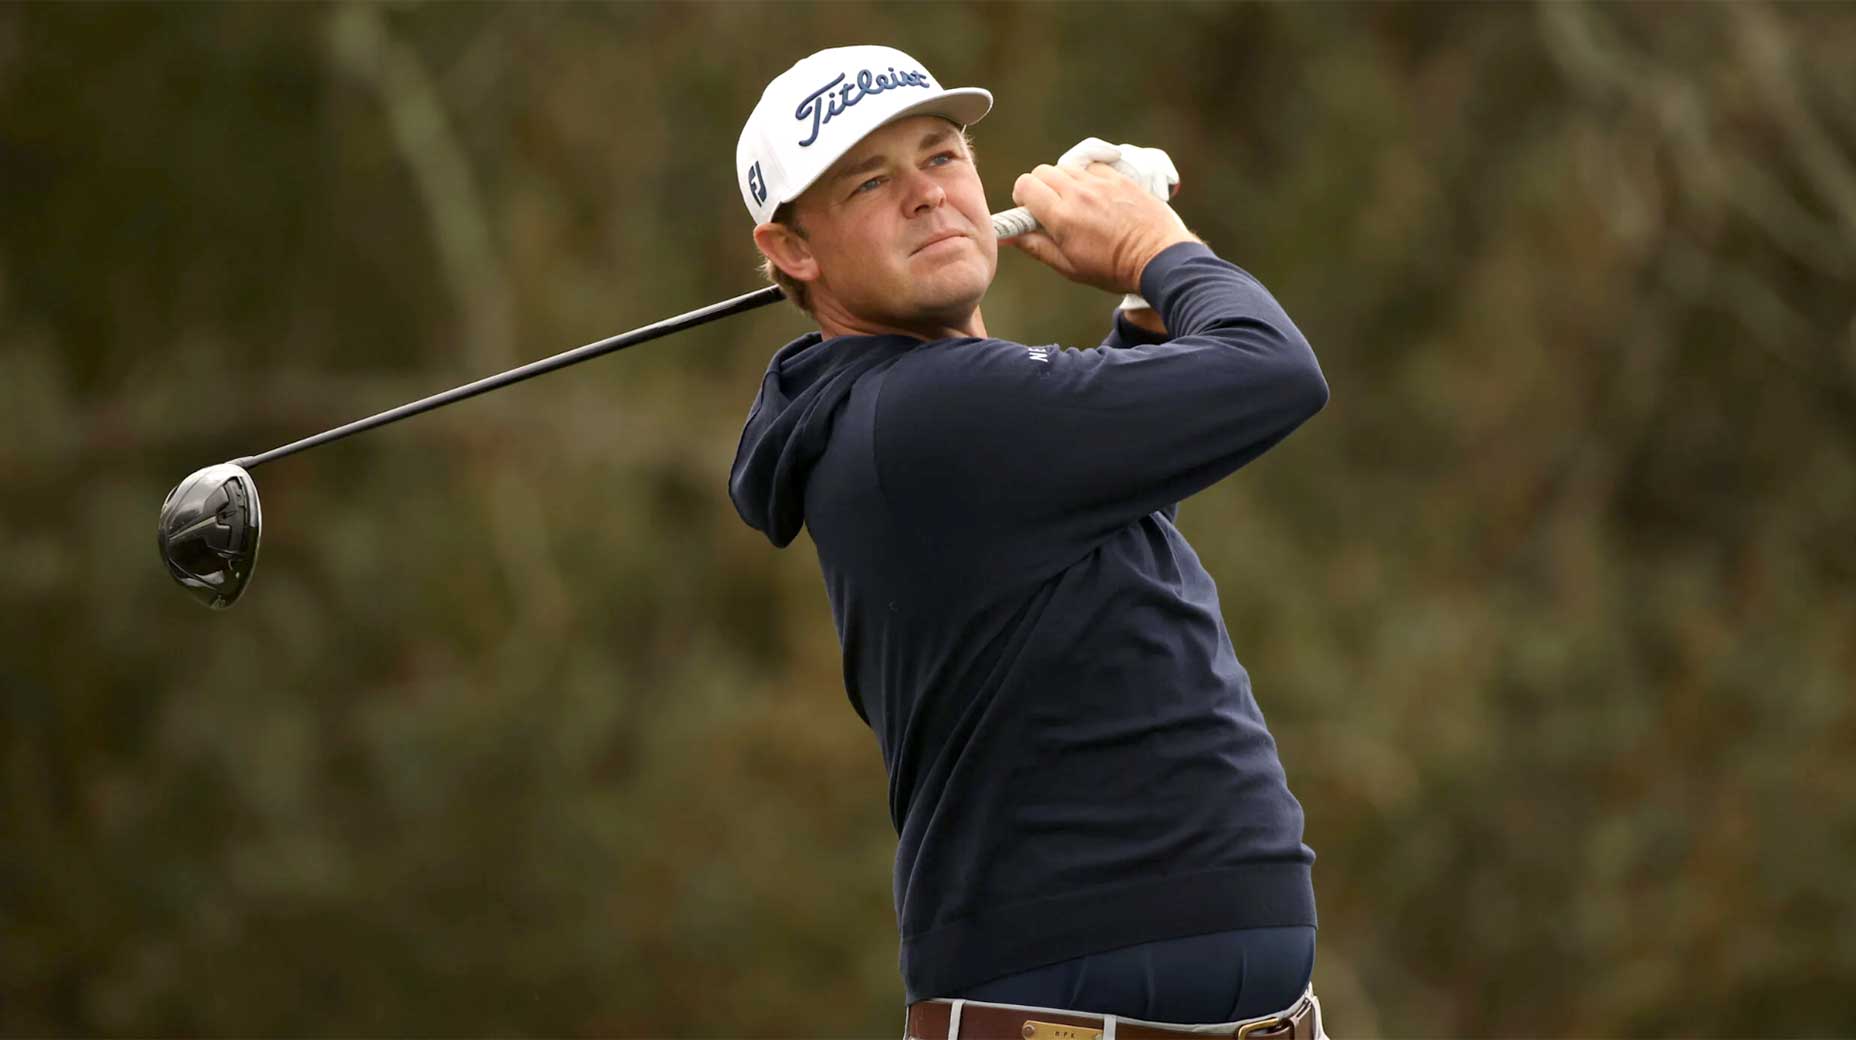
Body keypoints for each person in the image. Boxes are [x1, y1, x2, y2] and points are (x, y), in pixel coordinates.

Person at [729, 45, 1331, 1035]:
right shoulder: (925, 410)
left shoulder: (938, 413)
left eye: (940, 156)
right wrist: (1156, 247)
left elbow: (1097, 510)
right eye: (870, 181)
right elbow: (1272, 371)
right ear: (793, 250)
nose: (925, 196)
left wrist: (1140, 314)